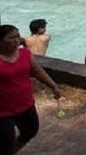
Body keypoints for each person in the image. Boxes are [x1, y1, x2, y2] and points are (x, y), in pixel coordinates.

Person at [0, 24, 62, 154]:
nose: (16, 40)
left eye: (17, 36)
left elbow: (38, 72)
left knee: (31, 130)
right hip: (3, 110)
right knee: (6, 140)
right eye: (11, 38)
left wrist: (53, 86)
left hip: (25, 104)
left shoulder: (25, 54)